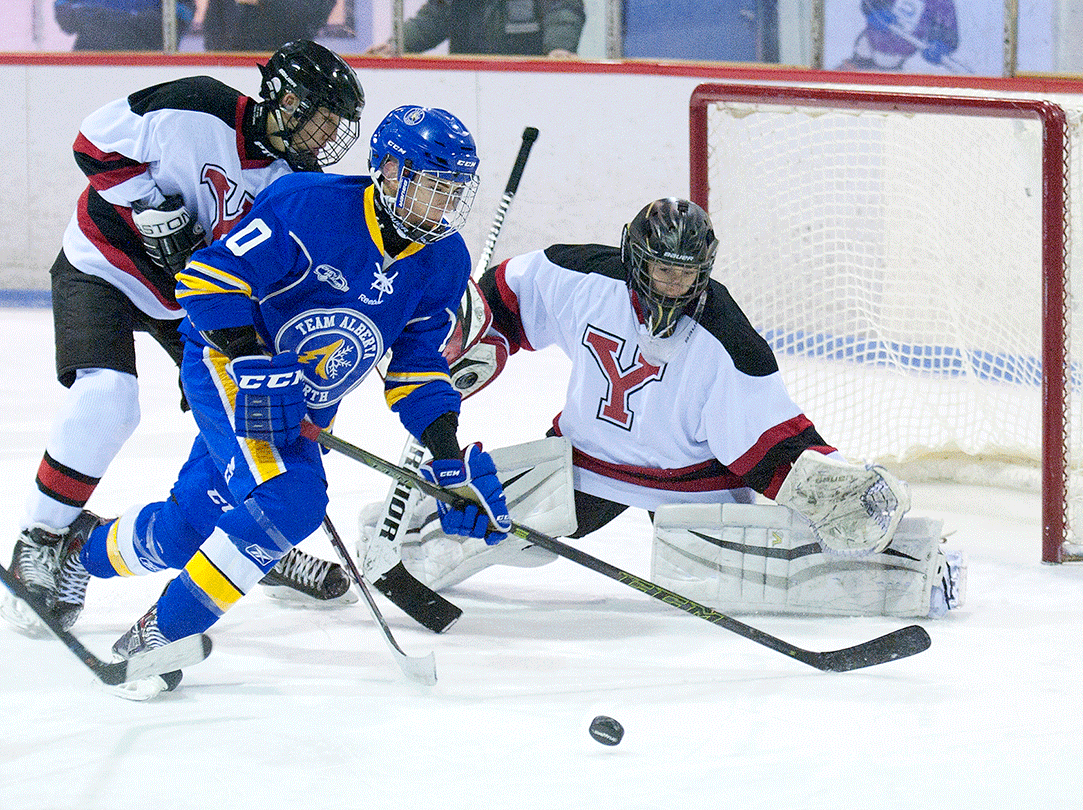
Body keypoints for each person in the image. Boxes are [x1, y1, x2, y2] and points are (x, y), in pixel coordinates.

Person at [45, 105, 512, 699]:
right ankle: (159, 635)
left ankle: (78, 552)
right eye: (433, 188)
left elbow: (418, 367)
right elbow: (205, 279)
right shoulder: (310, 205)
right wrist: (251, 359)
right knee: (290, 500)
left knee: (189, 530)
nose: (445, 207)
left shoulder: (444, 260)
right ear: (390, 173)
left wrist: (447, 459)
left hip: (305, 406)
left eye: (455, 193)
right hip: (229, 367)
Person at [362, 198, 966, 619]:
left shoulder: (729, 339)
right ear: (633, 257)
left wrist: (821, 482)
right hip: (583, 461)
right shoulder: (580, 276)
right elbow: (504, 297)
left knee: (742, 582)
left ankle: (921, 568)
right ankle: (383, 542)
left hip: (690, 487)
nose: (672, 286)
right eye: (660, 270)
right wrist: (476, 335)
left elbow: (771, 445)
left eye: (686, 274)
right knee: (501, 534)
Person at [0, 40, 366, 639]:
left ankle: (245, 534)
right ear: (285, 98)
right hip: (105, 266)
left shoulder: (295, 184)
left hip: (192, 301)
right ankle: (41, 539)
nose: (323, 141)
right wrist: (149, 207)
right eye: (319, 121)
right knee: (109, 401)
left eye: (334, 129)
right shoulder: (197, 108)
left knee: (247, 423)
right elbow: (93, 143)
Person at [366, 0, 586, 58]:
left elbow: (562, 10)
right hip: (468, 83)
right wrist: (396, 45)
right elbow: (434, 17)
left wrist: (560, 48)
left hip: (527, 80)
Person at [838, 0, 959, 72]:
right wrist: (874, 11)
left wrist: (941, 46)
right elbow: (869, 4)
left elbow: (948, 33)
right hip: (867, 45)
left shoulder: (941, 3)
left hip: (893, 59)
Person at [54, 0, 196, 51]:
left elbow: (179, 18)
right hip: (90, 60)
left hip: (149, 62)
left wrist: (102, 18)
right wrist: (131, 20)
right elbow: (65, 15)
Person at [202, 0, 336, 52]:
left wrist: (265, 2)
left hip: (285, 56)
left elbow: (313, 13)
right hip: (233, 57)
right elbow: (214, 19)